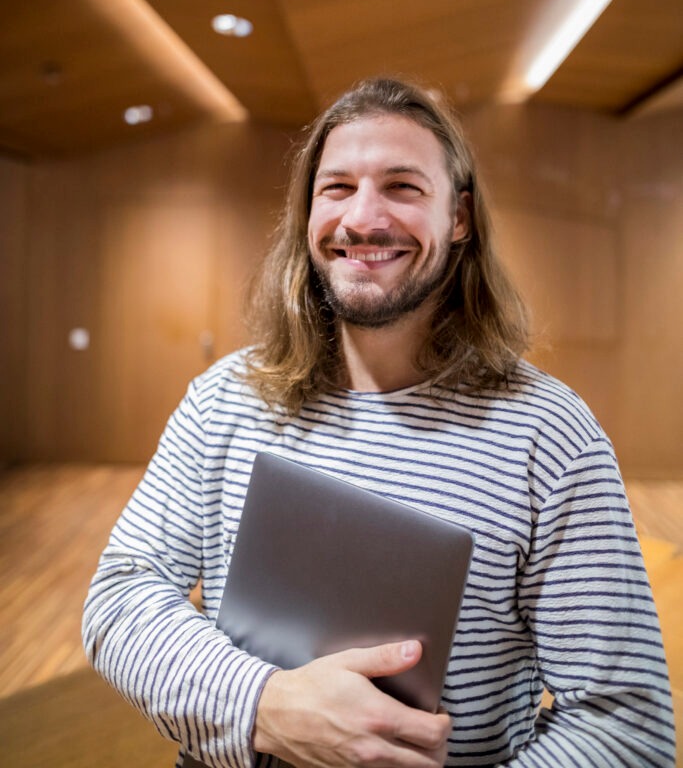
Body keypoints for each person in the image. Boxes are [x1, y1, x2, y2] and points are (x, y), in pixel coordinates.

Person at [83, 77, 675, 768]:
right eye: (335, 188)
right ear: (306, 213)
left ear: (458, 218)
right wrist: (262, 705)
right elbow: (121, 592)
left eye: (401, 186)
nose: (362, 219)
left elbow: (625, 727)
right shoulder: (224, 398)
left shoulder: (548, 437)